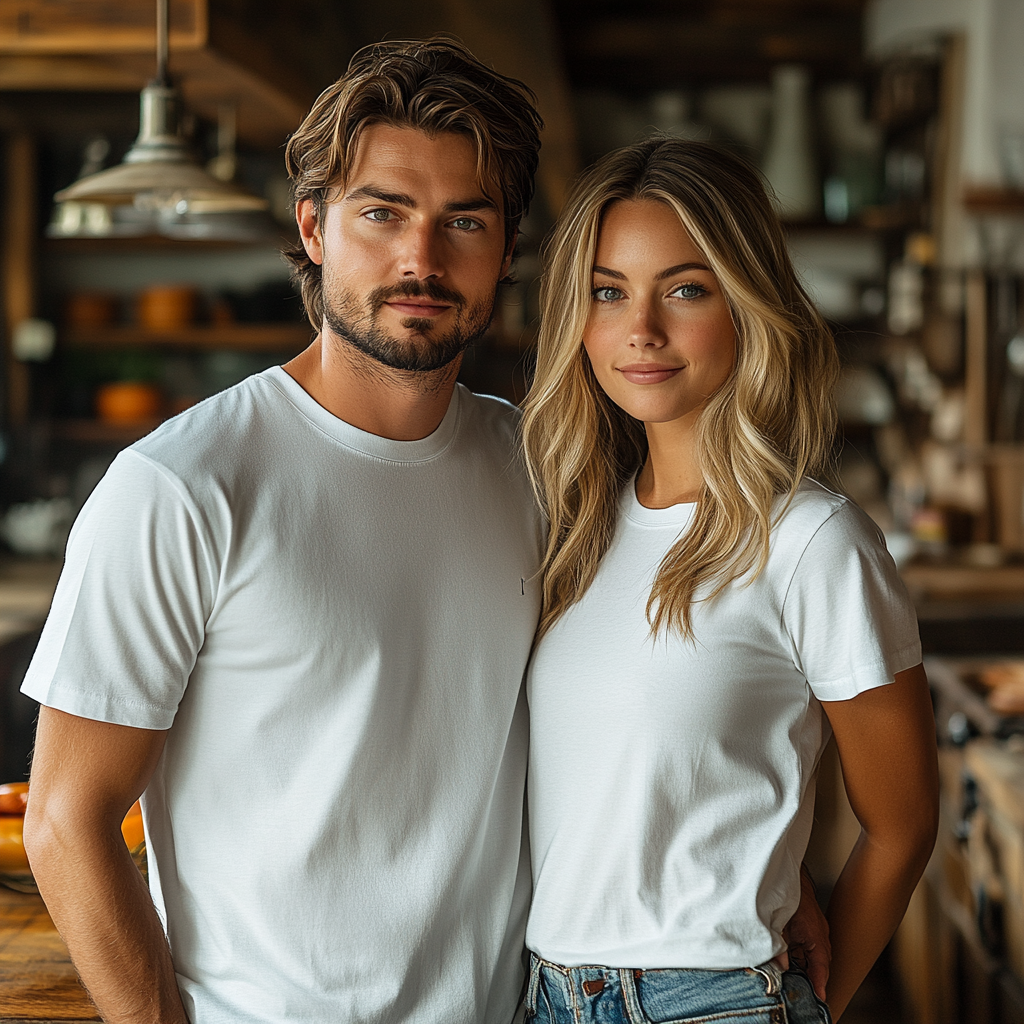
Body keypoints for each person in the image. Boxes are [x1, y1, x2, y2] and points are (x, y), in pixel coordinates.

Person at [21, 42, 827, 1024]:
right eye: (382, 213)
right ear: (313, 228)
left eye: (465, 221)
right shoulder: (182, 488)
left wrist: (781, 874)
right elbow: (67, 821)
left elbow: (652, 703)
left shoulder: (545, 471)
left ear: (507, 246)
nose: (422, 259)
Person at [519, 138, 939, 1024]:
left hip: (710, 1000)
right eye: (608, 291)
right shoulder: (574, 527)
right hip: (548, 993)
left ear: (748, 304)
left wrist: (810, 1006)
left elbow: (902, 825)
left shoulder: (812, 542)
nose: (641, 329)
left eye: (684, 288)